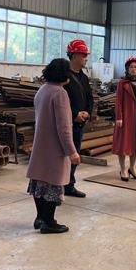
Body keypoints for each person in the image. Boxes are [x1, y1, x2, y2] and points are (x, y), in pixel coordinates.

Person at [27, 58, 81, 234]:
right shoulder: (60, 93)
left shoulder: (42, 90)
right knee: (52, 184)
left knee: (39, 182)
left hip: (40, 144)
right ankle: (49, 222)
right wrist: (71, 151)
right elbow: (63, 127)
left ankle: (40, 218)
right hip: (54, 147)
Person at [63, 39, 94, 198]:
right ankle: (59, 183)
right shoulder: (64, 77)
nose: (85, 58)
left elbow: (90, 98)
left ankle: (69, 185)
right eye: (83, 55)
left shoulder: (83, 77)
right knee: (64, 155)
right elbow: (62, 101)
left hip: (79, 124)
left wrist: (87, 113)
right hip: (66, 123)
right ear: (74, 55)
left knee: (75, 153)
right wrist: (75, 114)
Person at [112, 56, 136, 182]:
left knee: (135, 144)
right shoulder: (122, 83)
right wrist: (119, 117)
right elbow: (118, 101)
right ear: (127, 69)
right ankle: (123, 169)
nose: (134, 69)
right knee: (123, 144)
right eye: (131, 67)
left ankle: (132, 168)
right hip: (126, 118)